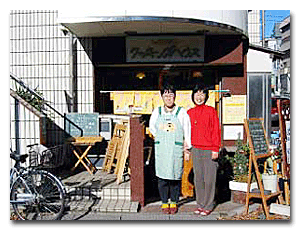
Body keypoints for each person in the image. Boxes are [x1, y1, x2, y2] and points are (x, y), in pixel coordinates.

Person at [149, 84, 192, 214]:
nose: (168, 98)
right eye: (166, 95)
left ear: (175, 96)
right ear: (162, 97)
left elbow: (187, 130)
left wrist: (187, 148)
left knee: (175, 176)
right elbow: (152, 127)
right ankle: (164, 202)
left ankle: (173, 201)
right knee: (162, 177)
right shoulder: (157, 111)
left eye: (171, 95)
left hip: (175, 149)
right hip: (162, 149)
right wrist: (162, 137)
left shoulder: (181, 112)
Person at [187, 83, 221, 216]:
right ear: (193, 96)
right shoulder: (189, 112)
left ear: (206, 96)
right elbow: (187, 132)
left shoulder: (211, 111)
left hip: (209, 149)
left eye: (202, 94)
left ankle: (208, 204)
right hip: (195, 149)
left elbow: (216, 131)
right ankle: (200, 204)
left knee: (209, 178)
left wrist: (215, 149)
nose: (199, 97)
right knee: (198, 178)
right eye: (197, 94)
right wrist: (187, 149)